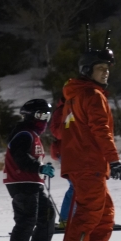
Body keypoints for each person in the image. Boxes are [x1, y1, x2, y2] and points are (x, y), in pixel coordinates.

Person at [58, 35, 121, 241]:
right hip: (88, 163)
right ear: (87, 70)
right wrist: (114, 159)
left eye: (107, 68)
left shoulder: (73, 96)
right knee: (90, 212)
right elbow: (100, 130)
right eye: (100, 68)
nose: (105, 73)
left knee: (105, 211)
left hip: (84, 163)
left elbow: (63, 130)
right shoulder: (92, 95)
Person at [0, 99, 57, 241]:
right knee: (27, 218)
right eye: (40, 114)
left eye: (47, 115)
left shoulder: (32, 134)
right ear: (29, 116)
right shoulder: (23, 133)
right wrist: (40, 167)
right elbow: (21, 157)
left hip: (33, 182)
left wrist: (42, 168)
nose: (44, 119)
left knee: (47, 215)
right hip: (20, 181)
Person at [49, 96, 74, 229]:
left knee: (88, 185)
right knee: (76, 186)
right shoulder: (61, 111)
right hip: (67, 152)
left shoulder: (81, 107)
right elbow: (58, 133)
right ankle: (65, 220)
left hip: (80, 152)